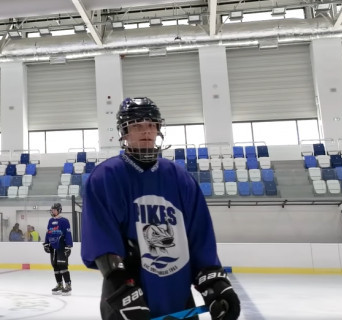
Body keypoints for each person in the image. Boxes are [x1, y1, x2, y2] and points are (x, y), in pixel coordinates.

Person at [81, 97, 241, 320]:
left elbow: (199, 235)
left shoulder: (180, 178)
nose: (146, 131)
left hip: (177, 297)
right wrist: (121, 289)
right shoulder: (106, 177)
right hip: (128, 298)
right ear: (124, 132)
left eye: (151, 125)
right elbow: (101, 238)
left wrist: (214, 282)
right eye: (137, 126)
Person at [44, 202, 73, 295]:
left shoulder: (64, 221)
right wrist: (46, 243)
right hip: (53, 247)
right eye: (52, 210)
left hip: (61, 246)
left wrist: (68, 246)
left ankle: (68, 285)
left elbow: (68, 233)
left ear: (59, 210)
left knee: (62, 265)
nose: (52, 211)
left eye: (54, 210)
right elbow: (48, 232)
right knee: (55, 265)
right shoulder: (50, 221)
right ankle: (59, 284)